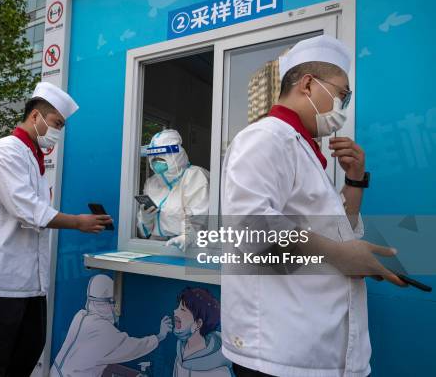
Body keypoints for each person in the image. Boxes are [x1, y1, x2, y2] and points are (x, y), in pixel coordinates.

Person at [220, 35, 405, 377]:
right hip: (278, 347)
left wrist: (354, 180)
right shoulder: (265, 138)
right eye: (342, 95)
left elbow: (340, 235)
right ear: (307, 84)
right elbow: (252, 229)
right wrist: (340, 255)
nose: (343, 106)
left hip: (311, 342)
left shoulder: (304, 151)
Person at [0, 81, 114, 377]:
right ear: (35, 117)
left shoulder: (33, 157)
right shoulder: (6, 150)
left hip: (28, 280)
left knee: (28, 348)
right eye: (56, 123)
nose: (59, 131)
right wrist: (76, 222)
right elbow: (26, 208)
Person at [50, 274, 171, 377]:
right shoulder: (102, 330)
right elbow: (134, 347)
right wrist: (159, 336)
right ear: (105, 302)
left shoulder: (80, 316)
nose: (114, 307)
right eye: (113, 302)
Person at [137, 129, 209, 251]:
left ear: (175, 156)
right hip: (154, 247)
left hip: (188, 249)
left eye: (161, 158)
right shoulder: (152, 182)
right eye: (153, 158)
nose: (156, 162)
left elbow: (200, 216)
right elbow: (143, 233)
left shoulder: (194, 176)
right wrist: (145, 219)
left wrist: (187, 236)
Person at [173, 287, 232, 377]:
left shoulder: (219, 371)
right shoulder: (181, 350)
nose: (175, 311)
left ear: (198, 323)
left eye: (182, 310)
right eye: (178, 307)